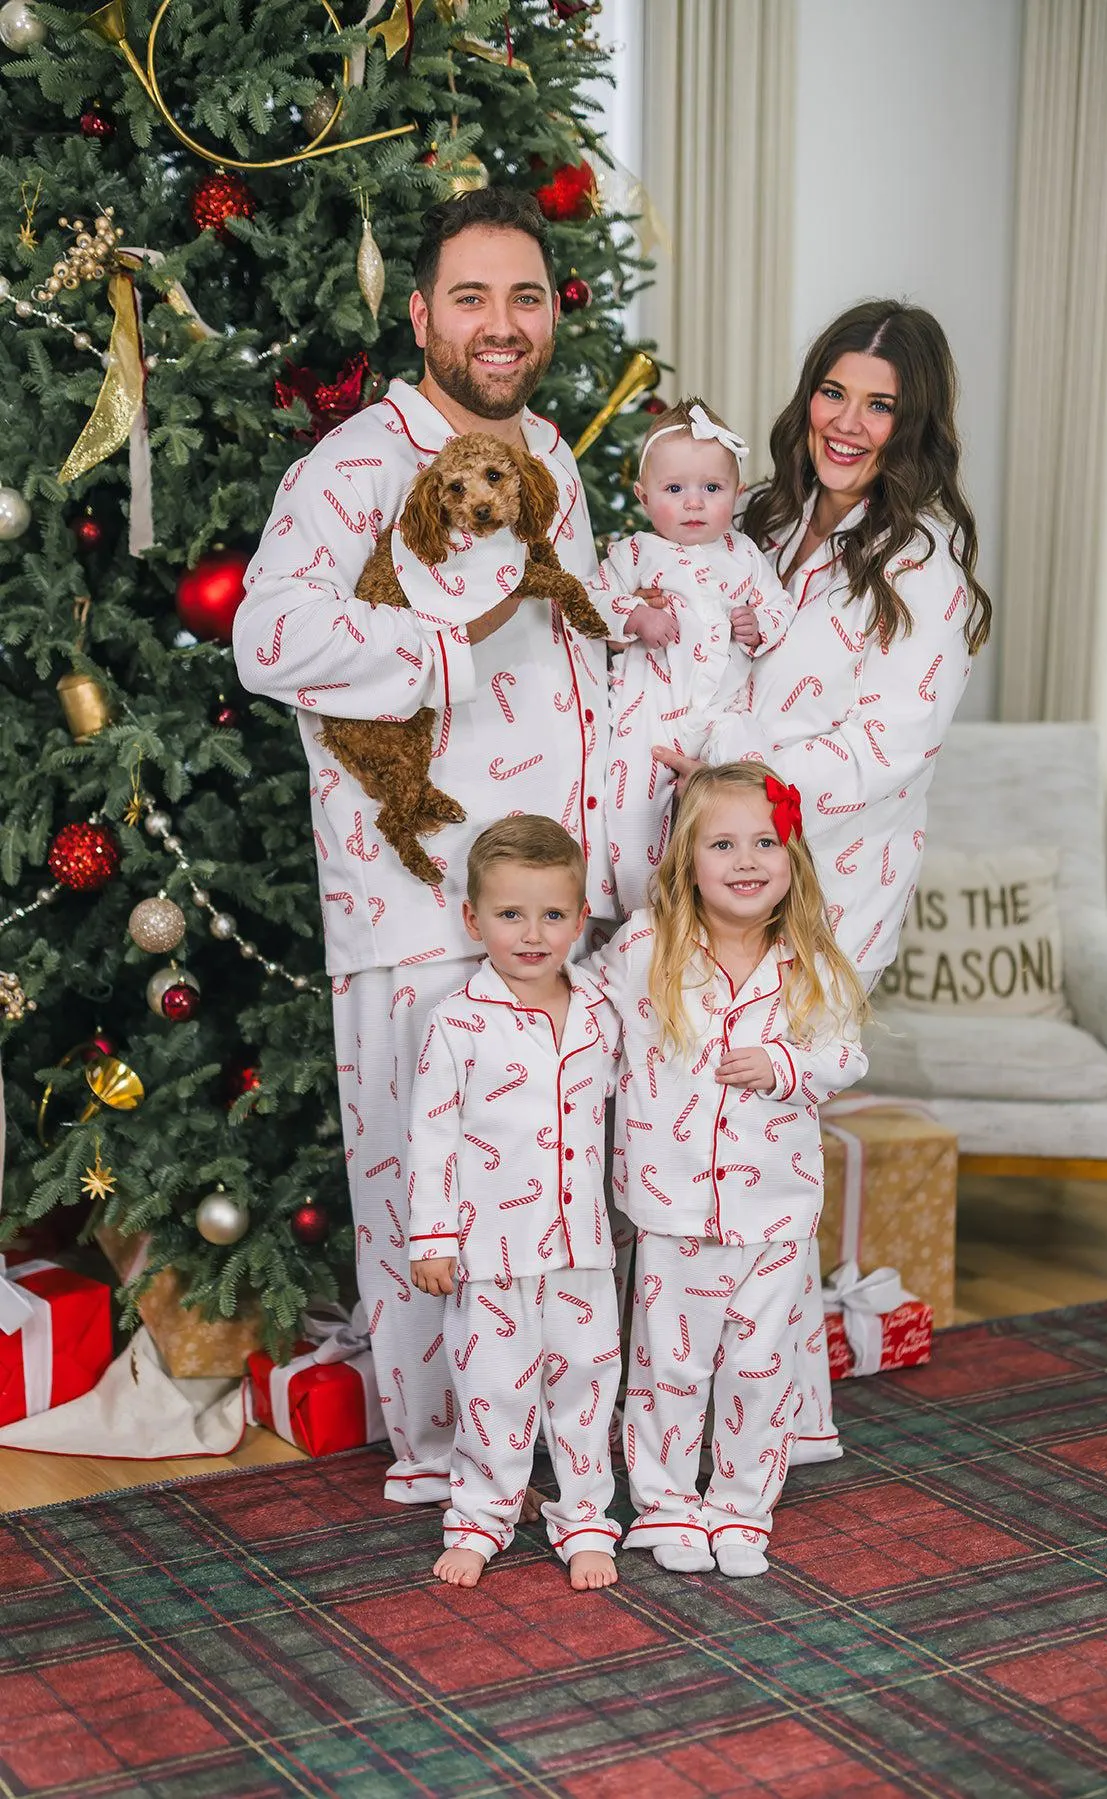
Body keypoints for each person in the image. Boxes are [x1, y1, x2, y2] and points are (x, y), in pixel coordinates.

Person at [234, 188, 621, 1507]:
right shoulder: (353, 465)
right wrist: (438, 647)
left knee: (554, 1196)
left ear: (552, 311)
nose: (500, 324)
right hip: (415, 904)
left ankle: (550, 1443)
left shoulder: (554, 456)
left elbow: (573, 655)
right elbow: (266, 639)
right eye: (471, 297)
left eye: (525, 296)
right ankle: (445, 1456)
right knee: (427, 1203)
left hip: (557, 909)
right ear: (420, 313)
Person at [653, 300, 993, 1467]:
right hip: (717, 861)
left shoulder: (927, 565)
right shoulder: (761, 518)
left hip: (829, 887)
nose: (849, 421)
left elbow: (883, 748)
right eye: (835, 392)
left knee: (766, 1159)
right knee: (690, 1127)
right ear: (809, 396)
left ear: (915, 423)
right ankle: (694, 1406)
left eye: (881, 403)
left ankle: (772, 1421)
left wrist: (731, 764)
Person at [589, 764, 867, 1577]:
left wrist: (785, 1064)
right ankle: (666, 1503)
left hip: (777, 1211)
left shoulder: (810, 956)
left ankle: (741, 1507)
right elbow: (587, 1015)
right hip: (675, 1207)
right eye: (722, 843)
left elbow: (846, 1052)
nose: (746, 860)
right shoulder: (648, 946)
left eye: (764, 842)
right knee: (670, 1364)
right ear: (687, 858)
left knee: (757, 1364)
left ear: (792, 857)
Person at [408, 817, 622, 1592]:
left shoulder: (601, 1010)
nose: (533, 934)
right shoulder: (457, 1023)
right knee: (493, 1388)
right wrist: (431, 1237)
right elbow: (431, 1137)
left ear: (579, 919)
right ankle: (481, 1516)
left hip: (583, 1248)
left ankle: (587, 1517)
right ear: (473, 919)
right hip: (490, 1249)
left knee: (587, 1384)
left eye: (553, 915)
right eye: (510, 915)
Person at [595, 397, 796, 914]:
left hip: (722, 714)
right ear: (643, 496)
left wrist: (759, 626)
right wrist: (633, 617)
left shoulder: (745, 554)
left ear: (737, 493)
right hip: (650, 720)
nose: (693, 503)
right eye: (674, 489)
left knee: (744, 783)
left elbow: (779, 606)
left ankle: (728, 900)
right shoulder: (633, 554)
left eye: (712, 489)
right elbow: (590, 604)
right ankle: (643, 914)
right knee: (633, 813)